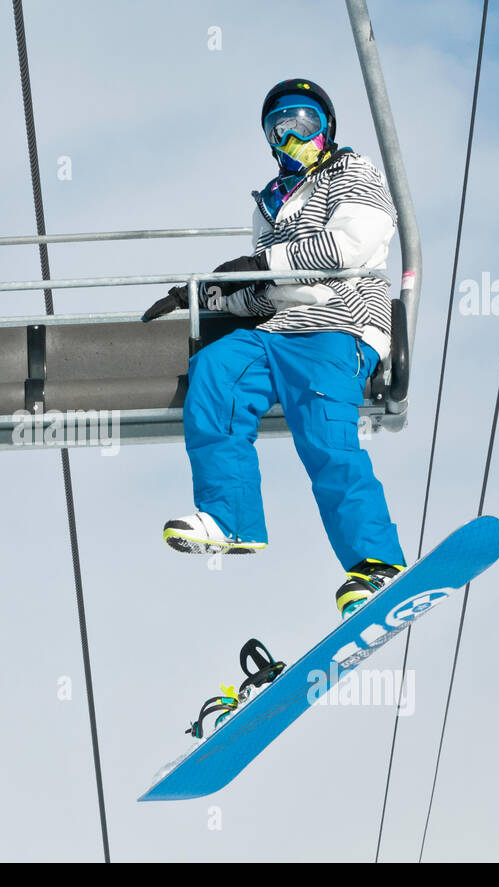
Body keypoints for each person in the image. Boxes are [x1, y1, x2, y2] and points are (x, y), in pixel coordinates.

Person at [143, 79, 405, 618]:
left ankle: (377, 564)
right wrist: (208, 292)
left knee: (326, 440)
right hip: (280, 328)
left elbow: (350, 247)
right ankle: (230, 516)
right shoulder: (271, 202)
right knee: (215, 370)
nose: (293, 137)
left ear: (326, 128)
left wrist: (262, 266)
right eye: (279, 128)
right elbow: (269, 292)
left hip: (340, 323)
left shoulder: (352, 173)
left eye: (304, 124)